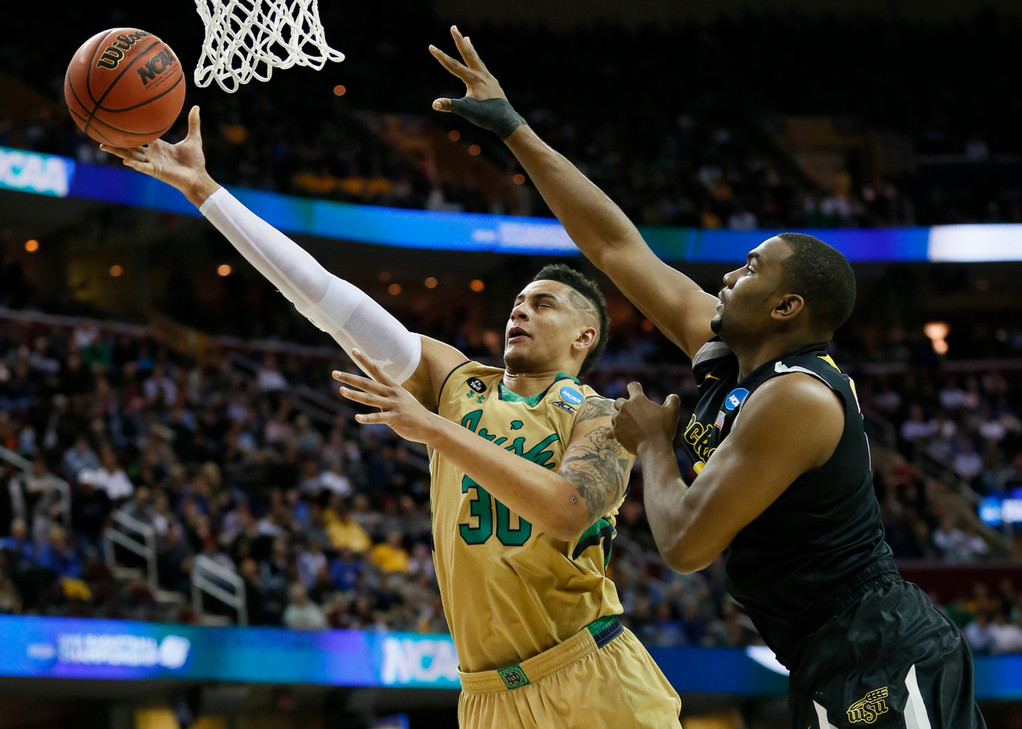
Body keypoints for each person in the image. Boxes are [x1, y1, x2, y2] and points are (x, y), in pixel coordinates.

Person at [426, 24, 987, 729]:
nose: (728, 274)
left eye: (751, 268)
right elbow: (611, 243)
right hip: (824, 652)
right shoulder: (726, 350)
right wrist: (513, 129)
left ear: (787, 307)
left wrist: (655, 440)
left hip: (880, 648)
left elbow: (687, 543)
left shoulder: (799, 398)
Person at [99, 99, 681, 729]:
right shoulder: (458, 381)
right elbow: (324, 295)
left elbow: (567, 511)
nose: (519, 312)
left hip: (591, 674)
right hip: (486, 696)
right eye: (516, 303)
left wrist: (433, 428)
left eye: (542, 305)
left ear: (584, 337)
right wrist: (205, 191)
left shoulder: (603, 417)